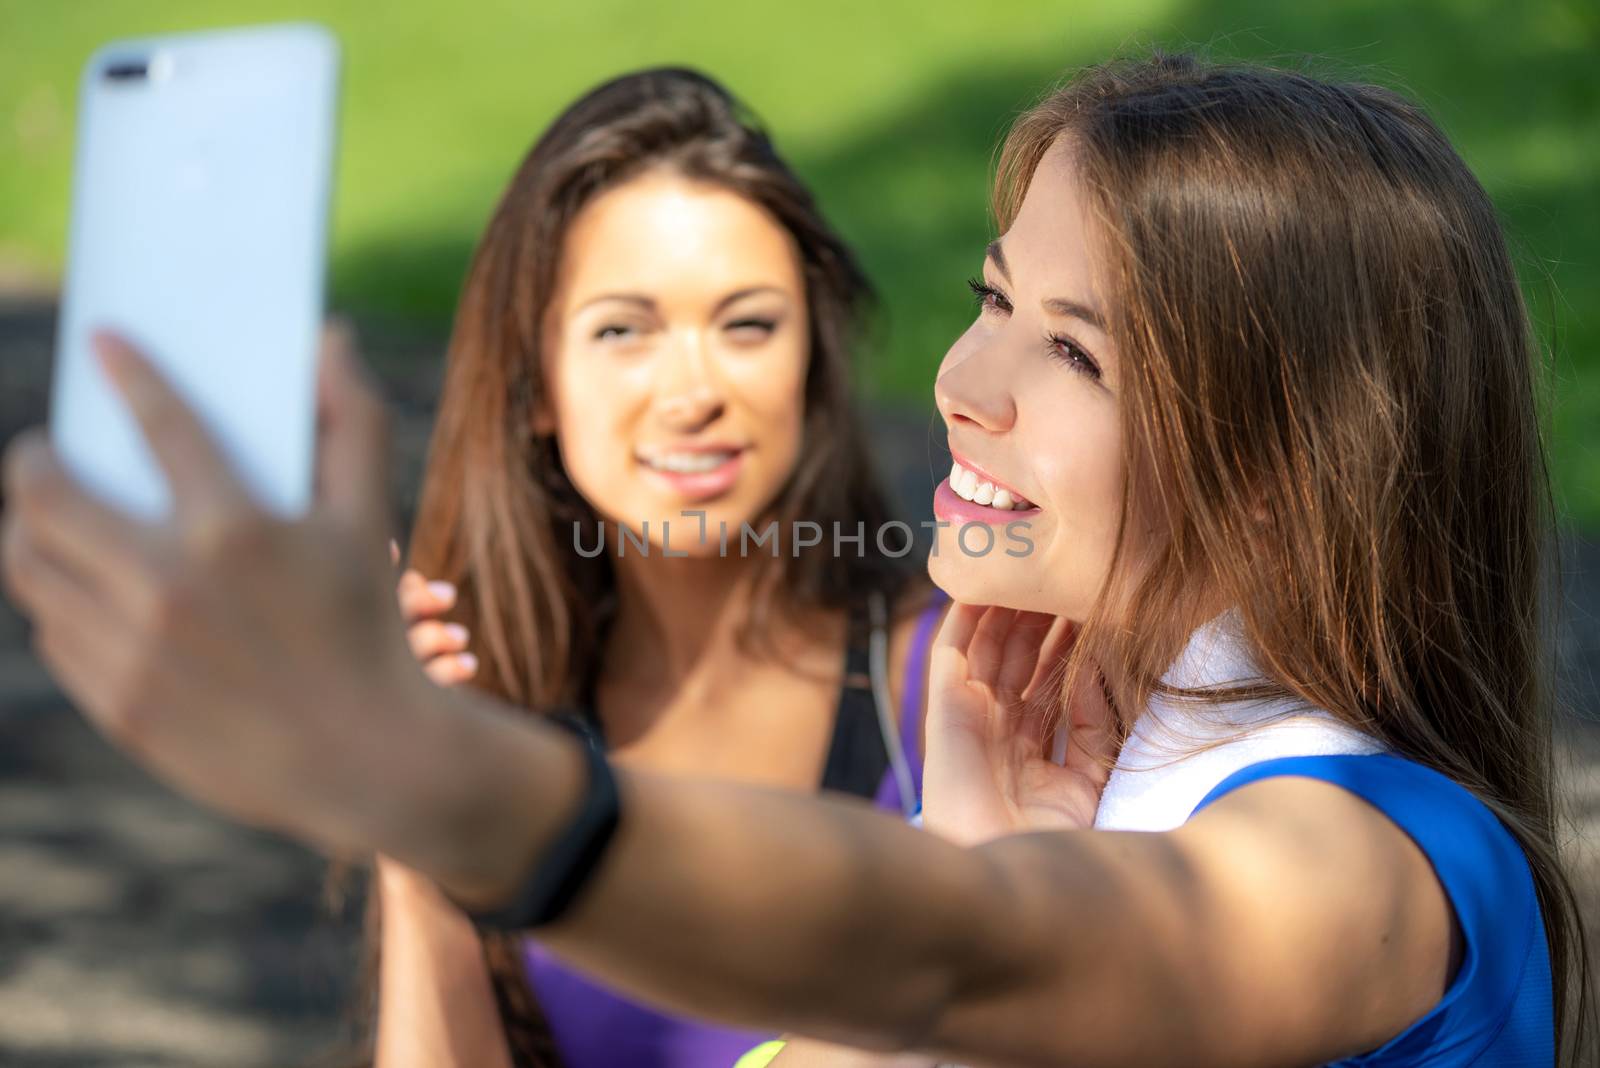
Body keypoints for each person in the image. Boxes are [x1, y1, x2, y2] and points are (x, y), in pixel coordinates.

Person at [3, 51, 1590, 1067]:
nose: (965, 384)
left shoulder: (1366, 870)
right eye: (990, 298)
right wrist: (975, 840)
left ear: (1289, 469)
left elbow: (970, 965)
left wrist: (416, 769)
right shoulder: (1043, 758)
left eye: (1080, 355)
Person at [372, 68, 946, 1067]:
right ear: (533, 385)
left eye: (747, 324)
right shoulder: (492, 717)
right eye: (622, 331)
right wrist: (410, 838)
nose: (691, 393)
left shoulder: (958, 686)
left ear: (810, 362)